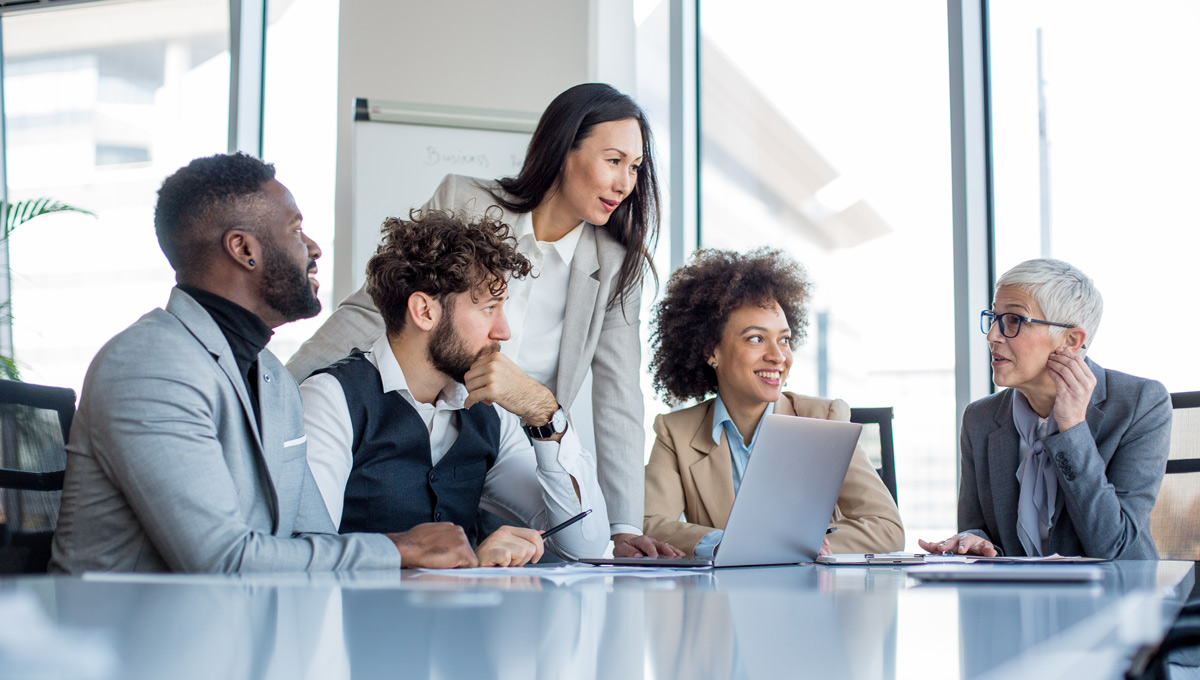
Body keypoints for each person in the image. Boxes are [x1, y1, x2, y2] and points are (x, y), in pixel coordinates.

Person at [286, 83, 681, 558]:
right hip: (434, 416)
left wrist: (621, 525)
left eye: (635, 167)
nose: (625, 183)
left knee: (548, 548)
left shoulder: (616, 262)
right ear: (563, 150)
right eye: (614, 160)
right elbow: (376, 305)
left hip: (513, 440)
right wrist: (283, 394)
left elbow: (619, 394)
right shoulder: (465, 199)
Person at [49, 153, 478, 573]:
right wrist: (400, 547)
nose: (312, 247)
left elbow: (315, 540)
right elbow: (221, 560)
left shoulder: (272, 376)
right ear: (244, 249)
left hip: (234, 627)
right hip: (131, 636)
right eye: (296, 229)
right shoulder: (150, 366)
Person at [301, 210, 610, 566]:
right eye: (489, 308)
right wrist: (468, 562)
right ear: (424, 311)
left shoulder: (489, 413)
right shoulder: (330, 399)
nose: (504, 331)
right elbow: (309, 555)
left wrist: (544, 412)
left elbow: (585, 544)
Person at [642, 248, 904, 556]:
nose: (778, 356)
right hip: (724, 599)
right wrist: (729, 542)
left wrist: (795, 545)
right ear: (711, 351)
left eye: (784, 339)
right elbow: (650, 523)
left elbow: (887, 528)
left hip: (808, 597)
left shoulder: (824, 418)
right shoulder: (676, 431)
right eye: (756, 338)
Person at [918, 259, 1170, 559]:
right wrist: (974, 541)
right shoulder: (980, 419)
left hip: (1114, 597)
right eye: (994, 318)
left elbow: (1116, 548)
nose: (992, 336)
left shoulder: (1141, 404)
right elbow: (980, 529)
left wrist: (1073, 429)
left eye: (1014, 321)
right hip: (1018, 598)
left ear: (1070, 340)